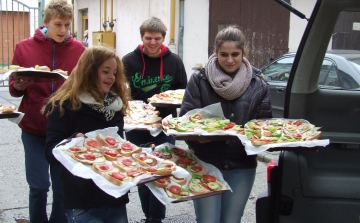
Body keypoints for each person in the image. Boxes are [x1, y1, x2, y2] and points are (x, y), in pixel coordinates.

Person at [179, 26, 272, 223]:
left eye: (235, 54)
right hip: (205, 163)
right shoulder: (199, 79)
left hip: (241, 164)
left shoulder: (258, 84)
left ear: (244, 53)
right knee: (208, 220)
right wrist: (198, 138)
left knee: (231, 220)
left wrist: (257, 138)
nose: (230, 60)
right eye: (224, 54)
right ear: (215, 53)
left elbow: (264, 125)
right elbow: (185, 120)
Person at [9, 0, 85, 222]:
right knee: (39, 186)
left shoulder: (79, 50)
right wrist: (20, 85)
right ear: (46, 22)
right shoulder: (24, 47)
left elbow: (85, 87)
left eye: (67, 25)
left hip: (64, 130)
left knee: (62, 189)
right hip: (33, 128)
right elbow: (14, 89)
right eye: (58, 24)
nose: (63, 30)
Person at [43, 45, 130, 223]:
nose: (111, 77)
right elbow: (51, 152)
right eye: (106, 71)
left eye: (114, 72)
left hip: (114, 195)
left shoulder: (115, 106)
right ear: (89, 71)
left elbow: (118, 147)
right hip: (82, 200)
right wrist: (72, 142)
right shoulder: (64, 105)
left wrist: (142, 153)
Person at [122, 16, 187, 223]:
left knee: (162, 171)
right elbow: (122, 93)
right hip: (136, 126)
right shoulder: (128, 61)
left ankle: (156, 219)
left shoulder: (175, 61)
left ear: (163, 38)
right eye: (148, 38)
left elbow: (183, 93)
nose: (153, 43)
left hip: (165, 125)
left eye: (157, 39)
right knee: (143, 173)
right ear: (142, 37)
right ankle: (148, 215)